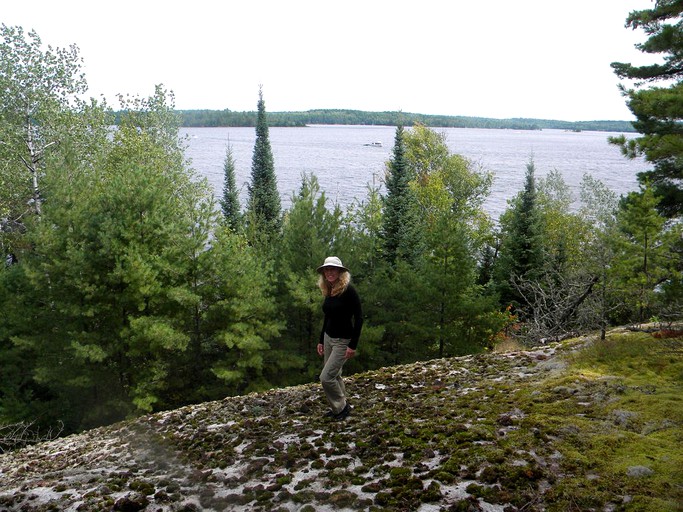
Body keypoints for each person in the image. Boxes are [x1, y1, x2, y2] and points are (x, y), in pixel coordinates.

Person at [316, 256, 363, 421]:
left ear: (340, 272)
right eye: (327, 269)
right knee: (335, 375)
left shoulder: (348, 290)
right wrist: (321, 340)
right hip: (329, 338)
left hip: (343, 341)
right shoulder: (329, 289)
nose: (329, 272)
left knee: (326, 377)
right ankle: (339, 406)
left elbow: (359, 318)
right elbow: (327, 317)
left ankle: (341, 408)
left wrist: (353, 345)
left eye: (333, 269)